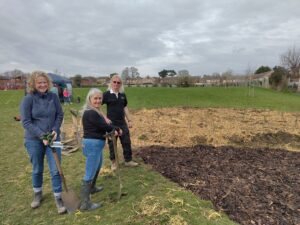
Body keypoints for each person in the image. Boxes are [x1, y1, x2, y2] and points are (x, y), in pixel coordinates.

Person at [20, 71, 66, 214]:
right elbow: (26, 122)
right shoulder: (28, 99)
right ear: (33, 84)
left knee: (56, 169)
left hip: (53, 138)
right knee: (37, 168)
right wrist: (41, 136)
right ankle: (37, 193)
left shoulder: (53, 97)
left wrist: (55, 129)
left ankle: (58, 197)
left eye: (45, 82)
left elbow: (60, 114)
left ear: (48, 83)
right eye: (39, 82)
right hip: (34, 140)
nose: (42, 85)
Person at [80, 88, 122, 211]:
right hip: (92, 145)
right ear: (90, 99)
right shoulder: (91, 112)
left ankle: (92, 187)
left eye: (100, 98)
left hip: (96, 144)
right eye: (95, 98)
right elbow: (104, 126)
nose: (98, 101)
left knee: (97, 167)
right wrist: (117, 129)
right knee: (90, 172)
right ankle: (85, 203)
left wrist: (112, 129)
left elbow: (103, 126)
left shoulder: (95, 111)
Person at [102, 74, 138, 171]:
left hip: (122, 123)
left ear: (121, 84)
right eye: (114, 82)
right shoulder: (106, 94)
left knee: (126, 142)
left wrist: (129, 120)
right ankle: (113, 162)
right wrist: (105, 118)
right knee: (112, 143)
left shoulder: (122, 95)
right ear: (111, 82)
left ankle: (128, 160)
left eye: (118, 82)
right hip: (111, 124)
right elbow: (97, 106)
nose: (116, 84)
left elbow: (125, 107)